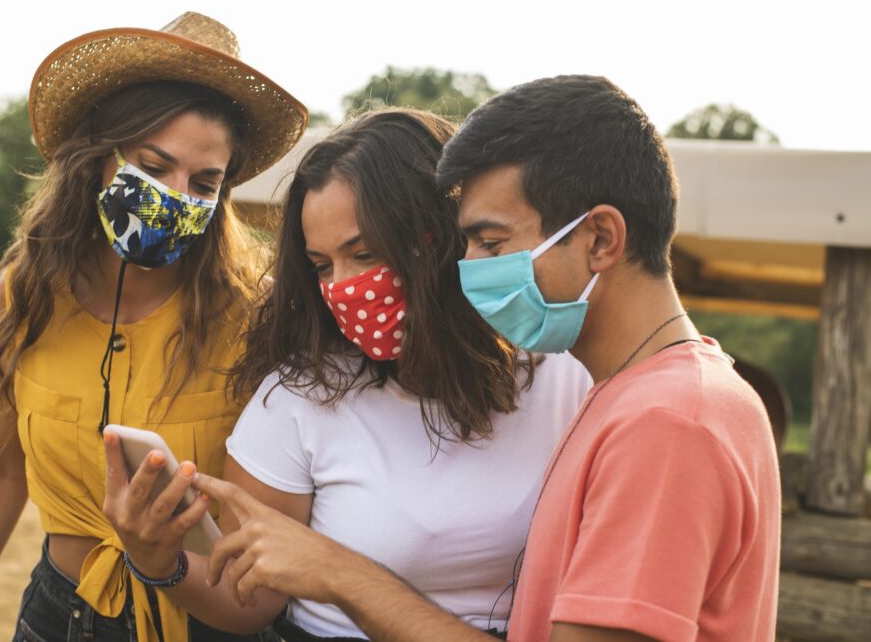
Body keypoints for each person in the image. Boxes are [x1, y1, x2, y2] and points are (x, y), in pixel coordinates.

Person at [189, 76, 782, 642]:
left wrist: (340, 574)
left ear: (601, 239)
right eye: (323, 265)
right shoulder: (643, 397)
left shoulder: (664, 422)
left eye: (491, 244)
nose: (469, 265)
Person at [102, 108, 592, 639]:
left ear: (444, 233)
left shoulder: (567, 374)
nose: (345, 288)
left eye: (364, 252)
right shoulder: (299, 399)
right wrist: (158, 561)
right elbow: (247, 598)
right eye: (322, 265)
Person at [0, 12, 307, 642]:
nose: (175, 195)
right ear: (100, 160)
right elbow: (4, 466)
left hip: (206, 622)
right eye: (154, 167)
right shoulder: (26, 294)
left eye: (204, 182)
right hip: (56, 615)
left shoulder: (257, 315)